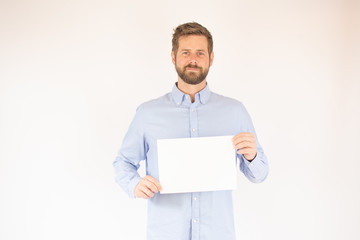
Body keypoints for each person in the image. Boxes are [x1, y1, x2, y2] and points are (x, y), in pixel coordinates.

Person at [113, 22, 269, 240]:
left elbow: (259, 175)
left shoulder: (235, 112)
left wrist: (252, 156)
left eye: (200, 53)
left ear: (211, 58)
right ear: (173, 56)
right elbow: (123, 162)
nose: (193, 59)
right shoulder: (148, 114)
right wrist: (134, 184)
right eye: (185, 52)